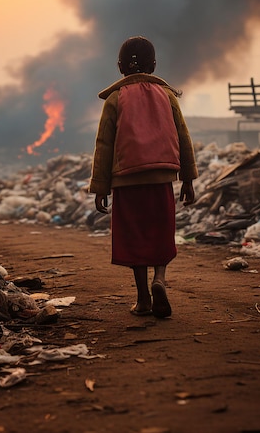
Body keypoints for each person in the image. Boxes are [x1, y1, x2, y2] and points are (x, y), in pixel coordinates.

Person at [89, 36, 197, 318]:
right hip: (162, 178)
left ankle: (143, 299)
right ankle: (159, 280)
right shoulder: (168, 96)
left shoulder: (114, 99)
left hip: (126, 181)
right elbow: (183, 138)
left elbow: (104, 145)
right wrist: (188, 179)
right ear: (154, 65)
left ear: (120, 67)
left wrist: (100, 188)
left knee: (134, 238)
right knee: (161, 233)